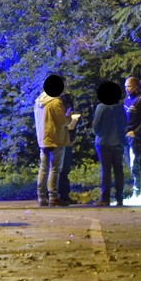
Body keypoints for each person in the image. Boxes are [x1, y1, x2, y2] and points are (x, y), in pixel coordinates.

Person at [34, 74, 71, 206]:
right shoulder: (55, 102)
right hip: (55, 138)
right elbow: (62, 122)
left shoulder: (39, 100)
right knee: (55, 169)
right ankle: (53, 196)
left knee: (43, 168)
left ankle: (41, 197)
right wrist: (69, 117)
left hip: (43, 138)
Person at [92, 81, 128, 206]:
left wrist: (100, 133)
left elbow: (95, 127)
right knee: (119, 171)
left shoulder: (101, 107)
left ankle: (105, 197)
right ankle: (119, 197)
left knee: (106, 170)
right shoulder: (120, 107)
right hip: (118, 143)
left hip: (103, 143)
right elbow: (125, 124)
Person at [124, 75, 141, 199]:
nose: (126, 89)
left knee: (135, 163)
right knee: (132, 163)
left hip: (137, 137)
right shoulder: (126, 100)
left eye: (129, 86)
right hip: (127, 136)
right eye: (125, 86)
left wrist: (136, 132)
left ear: (135, 86)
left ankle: (138, 191)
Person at [57, 92, 81, 205]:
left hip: (67, 139)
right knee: (58, 170)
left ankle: (64, 195)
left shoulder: (67, 98)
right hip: (59, 139)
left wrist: (73, 119)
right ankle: (57, 195)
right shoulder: (54, 102)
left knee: (65, 169)